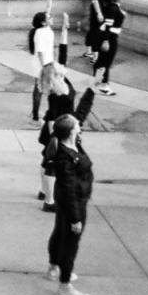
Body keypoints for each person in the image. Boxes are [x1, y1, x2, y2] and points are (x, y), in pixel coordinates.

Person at [38, 17, 95, 212]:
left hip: (63, 126)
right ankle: (49, 200)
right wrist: (57, 140)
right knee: (50, 164)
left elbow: (63, 52)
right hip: (57, 130)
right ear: (55, 76)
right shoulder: (55, 93)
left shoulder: (63, 81)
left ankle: (43, 190)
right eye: (59, 70)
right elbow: (52, 120)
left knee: (47, 162)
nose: (62, 68)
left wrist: (64, 30)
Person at [45, 113, 95, 295]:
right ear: (72, 130)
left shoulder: (69, 143)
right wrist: (75, 218)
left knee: (59, 233)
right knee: (70, 244)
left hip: (66, 201)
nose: (79, 124)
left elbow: (80, 112)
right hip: (73, 203)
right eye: (76, 123)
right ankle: (65, 286)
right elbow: (69, 189)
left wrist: (91, 90)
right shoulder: (66, 157)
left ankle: (53, 269)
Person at [92, 0, 132, 96]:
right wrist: (106, 41)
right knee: (108, 61)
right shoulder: (113, 9)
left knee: (104, 60)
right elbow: (108, 25)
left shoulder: (114, 6)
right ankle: (104, 85)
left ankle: (98, 76)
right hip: (110, 37)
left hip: (110, 36)